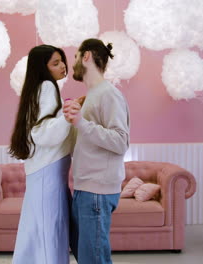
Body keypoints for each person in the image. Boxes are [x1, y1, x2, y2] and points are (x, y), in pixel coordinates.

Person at [63, 38, 130, 264]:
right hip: (86, 188)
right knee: (86, 256)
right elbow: (87, 138)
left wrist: (81, 122)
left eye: (75, 57)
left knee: (94, 259)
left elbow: (121, 141)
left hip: (97, 192)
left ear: (87, 56)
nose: (72, 64)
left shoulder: (108, 94)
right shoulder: (92, 95)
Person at [8, 44, 73, 264]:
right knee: (49, 231)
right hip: (49, 170)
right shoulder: (47, 86)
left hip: (45, 169)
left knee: (39, 230)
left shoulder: (38, 88)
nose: (63, 66)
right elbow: (43, 133)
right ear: (42, 68)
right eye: (55, 63)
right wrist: (69, 113)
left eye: (62, 60)